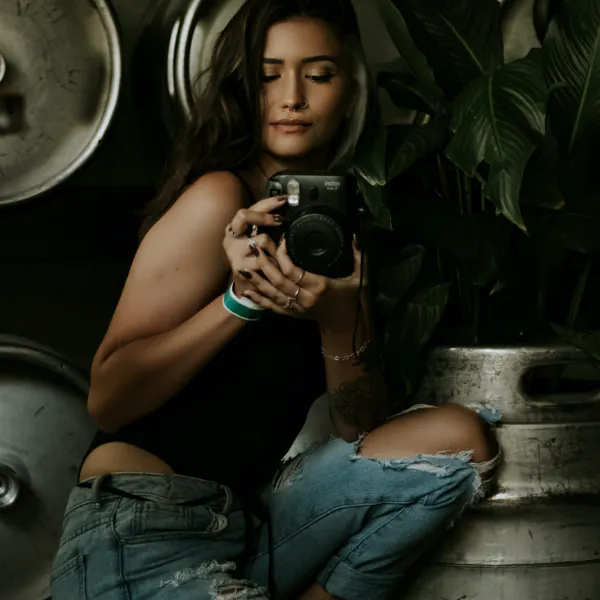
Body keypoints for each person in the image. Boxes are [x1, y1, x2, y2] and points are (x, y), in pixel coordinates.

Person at [50, 1, 500, 599]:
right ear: (243, 89)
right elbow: (109, 399)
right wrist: (239, 302)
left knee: (457, 438)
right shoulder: (219, 198)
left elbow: (360, 427)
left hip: (250, 525)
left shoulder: (341, 228)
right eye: (269, 76)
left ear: (350, 91)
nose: (292, 97)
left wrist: (339, 321)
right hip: (146, 523)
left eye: (317, 75)